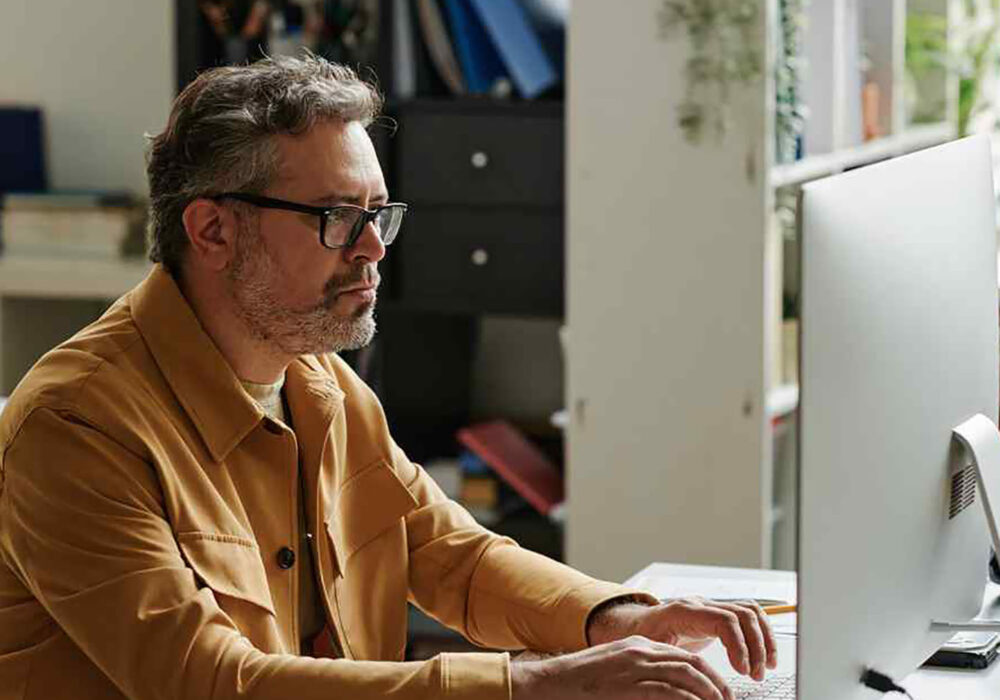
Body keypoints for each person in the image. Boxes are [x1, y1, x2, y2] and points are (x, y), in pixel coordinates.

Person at [0, 55, 776, 700]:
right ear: (212, 229)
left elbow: (447, 552)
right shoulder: (75, 426)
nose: (372, 250)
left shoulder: (322, 383)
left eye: (380, 214)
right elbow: (206, 682)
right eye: (337, 217)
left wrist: (615, 620)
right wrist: (529, 685)